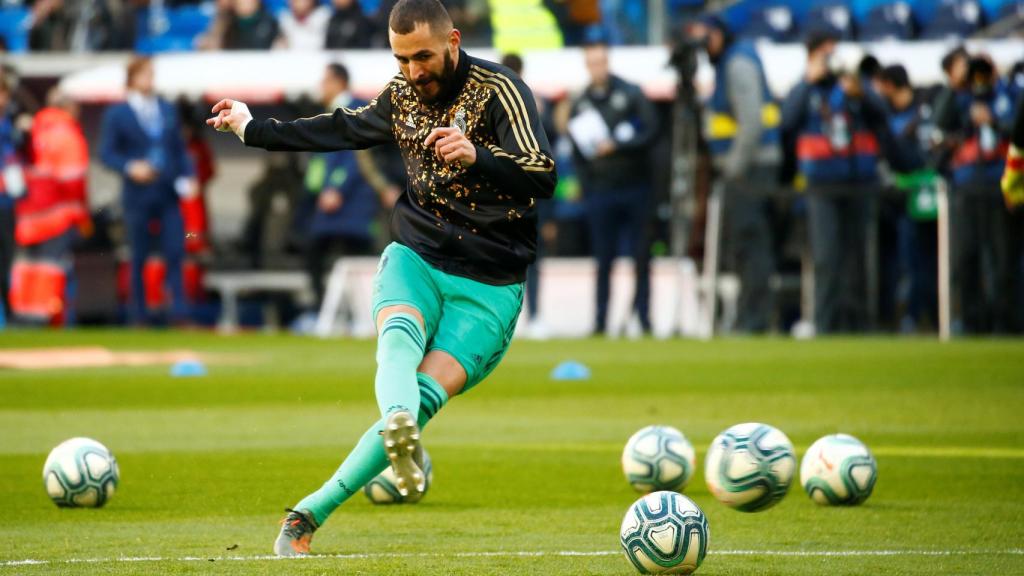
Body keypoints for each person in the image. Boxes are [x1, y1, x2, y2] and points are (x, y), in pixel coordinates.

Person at [207, 0, 555, 556]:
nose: (414, 71)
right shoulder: (401, 96)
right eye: (402, 59)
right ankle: (386, 440)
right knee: (398, 342)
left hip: (489, 285)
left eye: (422, 56)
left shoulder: (500, 89)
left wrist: (478, 155)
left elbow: (543, 173)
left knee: (423, 393)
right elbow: (340, 128)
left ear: (453, 41)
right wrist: (253, 129)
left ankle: (319, 500)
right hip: (417, 253)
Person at [780, 30, 889, 334]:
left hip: (858, 180)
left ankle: (860, 324)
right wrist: (807, 81)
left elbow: (881, 115)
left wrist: (861, 93)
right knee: (826, 257)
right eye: (825, 55)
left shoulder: (853, 84)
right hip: (821, 183)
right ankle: (825, 322)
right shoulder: (806, 89)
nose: (831, 61)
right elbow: (787, 122)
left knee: (858, 255)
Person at [688, 14, 779, 333]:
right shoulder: (729, 62)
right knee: (744, 244)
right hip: (747, 168)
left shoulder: (738, 63)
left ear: (718, 34)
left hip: (750, 169)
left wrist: (732, 170)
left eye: (705, 37)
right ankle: (749, 317)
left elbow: (751, 124)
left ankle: (753, 320)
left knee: (750, 243)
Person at [567, 41, 656, 336]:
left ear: (608, 62)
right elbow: (578, 152)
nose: (598, 68)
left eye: (601, 61)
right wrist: (584, 184)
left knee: (641, 257)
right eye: (592, 62)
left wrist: (618, 145)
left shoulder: (630, 93)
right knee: (603, 258)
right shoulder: (580, 102)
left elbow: (652, 131)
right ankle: (601, 321)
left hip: (635, 188)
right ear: (586, 66)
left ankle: (644, 320)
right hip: (601, 191)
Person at [100, 56, 195, 325]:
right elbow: (106, 153)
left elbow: (178, 148)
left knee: (175, 251)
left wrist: (188, 175)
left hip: (167, 192)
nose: (150, 80)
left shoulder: (165, 109)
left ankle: (179, 312)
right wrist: (130, 167)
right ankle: (138, 314)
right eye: (145, 75)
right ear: (132, 79)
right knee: (138, 255)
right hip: (137, 194)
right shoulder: (118, 113)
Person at [304, 62, 397, 310]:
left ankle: (354, 311)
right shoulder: (331, 110)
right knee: (327, 252)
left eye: (325, 81)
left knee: (352, 254)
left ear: (338, 82)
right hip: (335, 201)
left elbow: (358, 158)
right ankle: (333, 310)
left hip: (353, 200)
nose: (321, 87)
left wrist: (337, 188)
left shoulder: (354, 110)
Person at [948, 56, 1018, 333]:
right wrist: (955, 85)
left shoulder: (1009, 95)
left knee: (1002, 259)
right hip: (967, 187)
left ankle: (1005, 322)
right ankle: (970, 320)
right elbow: (940, 123)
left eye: (982, 73)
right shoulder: (960, 98)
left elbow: (1018, 130)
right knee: (966, 257)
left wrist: (994, 121)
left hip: (1001, 186)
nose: (978, 79)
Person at [877, 64, 938, 331]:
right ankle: (911, 315)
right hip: (901, 201)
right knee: (908, 262)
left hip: (934, 192)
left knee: (935, 259)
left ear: (889, 84)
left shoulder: (927, 109)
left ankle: (934, 316)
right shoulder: (886, 114)